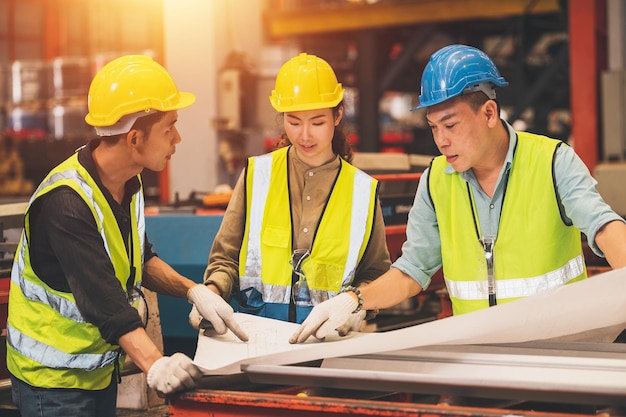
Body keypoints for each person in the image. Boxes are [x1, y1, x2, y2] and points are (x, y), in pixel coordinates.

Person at [289, 44, 626, 344]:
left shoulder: (552, 161)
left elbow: (604, 226)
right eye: (433, 127)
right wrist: (352, 301)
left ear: (489, 113)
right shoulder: (436, 182)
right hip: (479, 361)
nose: (441, 141)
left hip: (560, 358)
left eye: (451, 126)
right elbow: (412, 270)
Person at [6, 55, 248, 417]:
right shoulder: (66, 204)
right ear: (135, 138)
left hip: (96, 376)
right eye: (170, 127)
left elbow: (141, 258)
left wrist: (193, 291)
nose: (178, 138)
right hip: (52, 385)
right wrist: (156, 363)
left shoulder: (127, 182)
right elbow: (104, 304)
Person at [189, 52, 391, 332]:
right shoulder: (256, 176)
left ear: (338, 115)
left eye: (317, 122)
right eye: (294, 122)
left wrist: (357, 306)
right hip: (258, 337)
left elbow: (375, 273)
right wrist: (212, 291)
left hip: (329, 343)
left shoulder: (362, 190)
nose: (305, 135)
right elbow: (226, 258)